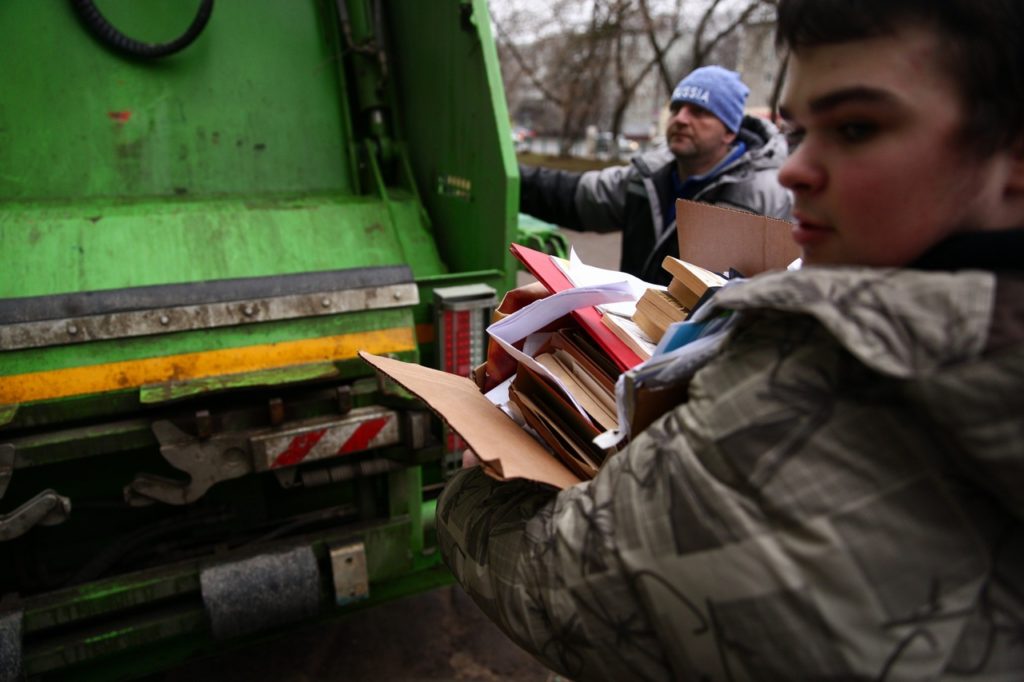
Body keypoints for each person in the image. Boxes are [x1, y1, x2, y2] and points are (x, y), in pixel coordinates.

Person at [436, 0, 1024, 679]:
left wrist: (484, 465)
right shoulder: (648, 178)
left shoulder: (793, 372)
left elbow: (563, 587)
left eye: (856, 127)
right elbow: (572, 196)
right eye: (802, 132)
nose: (801, 170)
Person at [520, 65, 792, 285]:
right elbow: (576, 196)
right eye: (677, 108)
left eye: (699, 112)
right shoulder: (648, 176)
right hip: (636, 338)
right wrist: (505, 178)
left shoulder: (767, 195)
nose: (681, 119)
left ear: (730, 131)